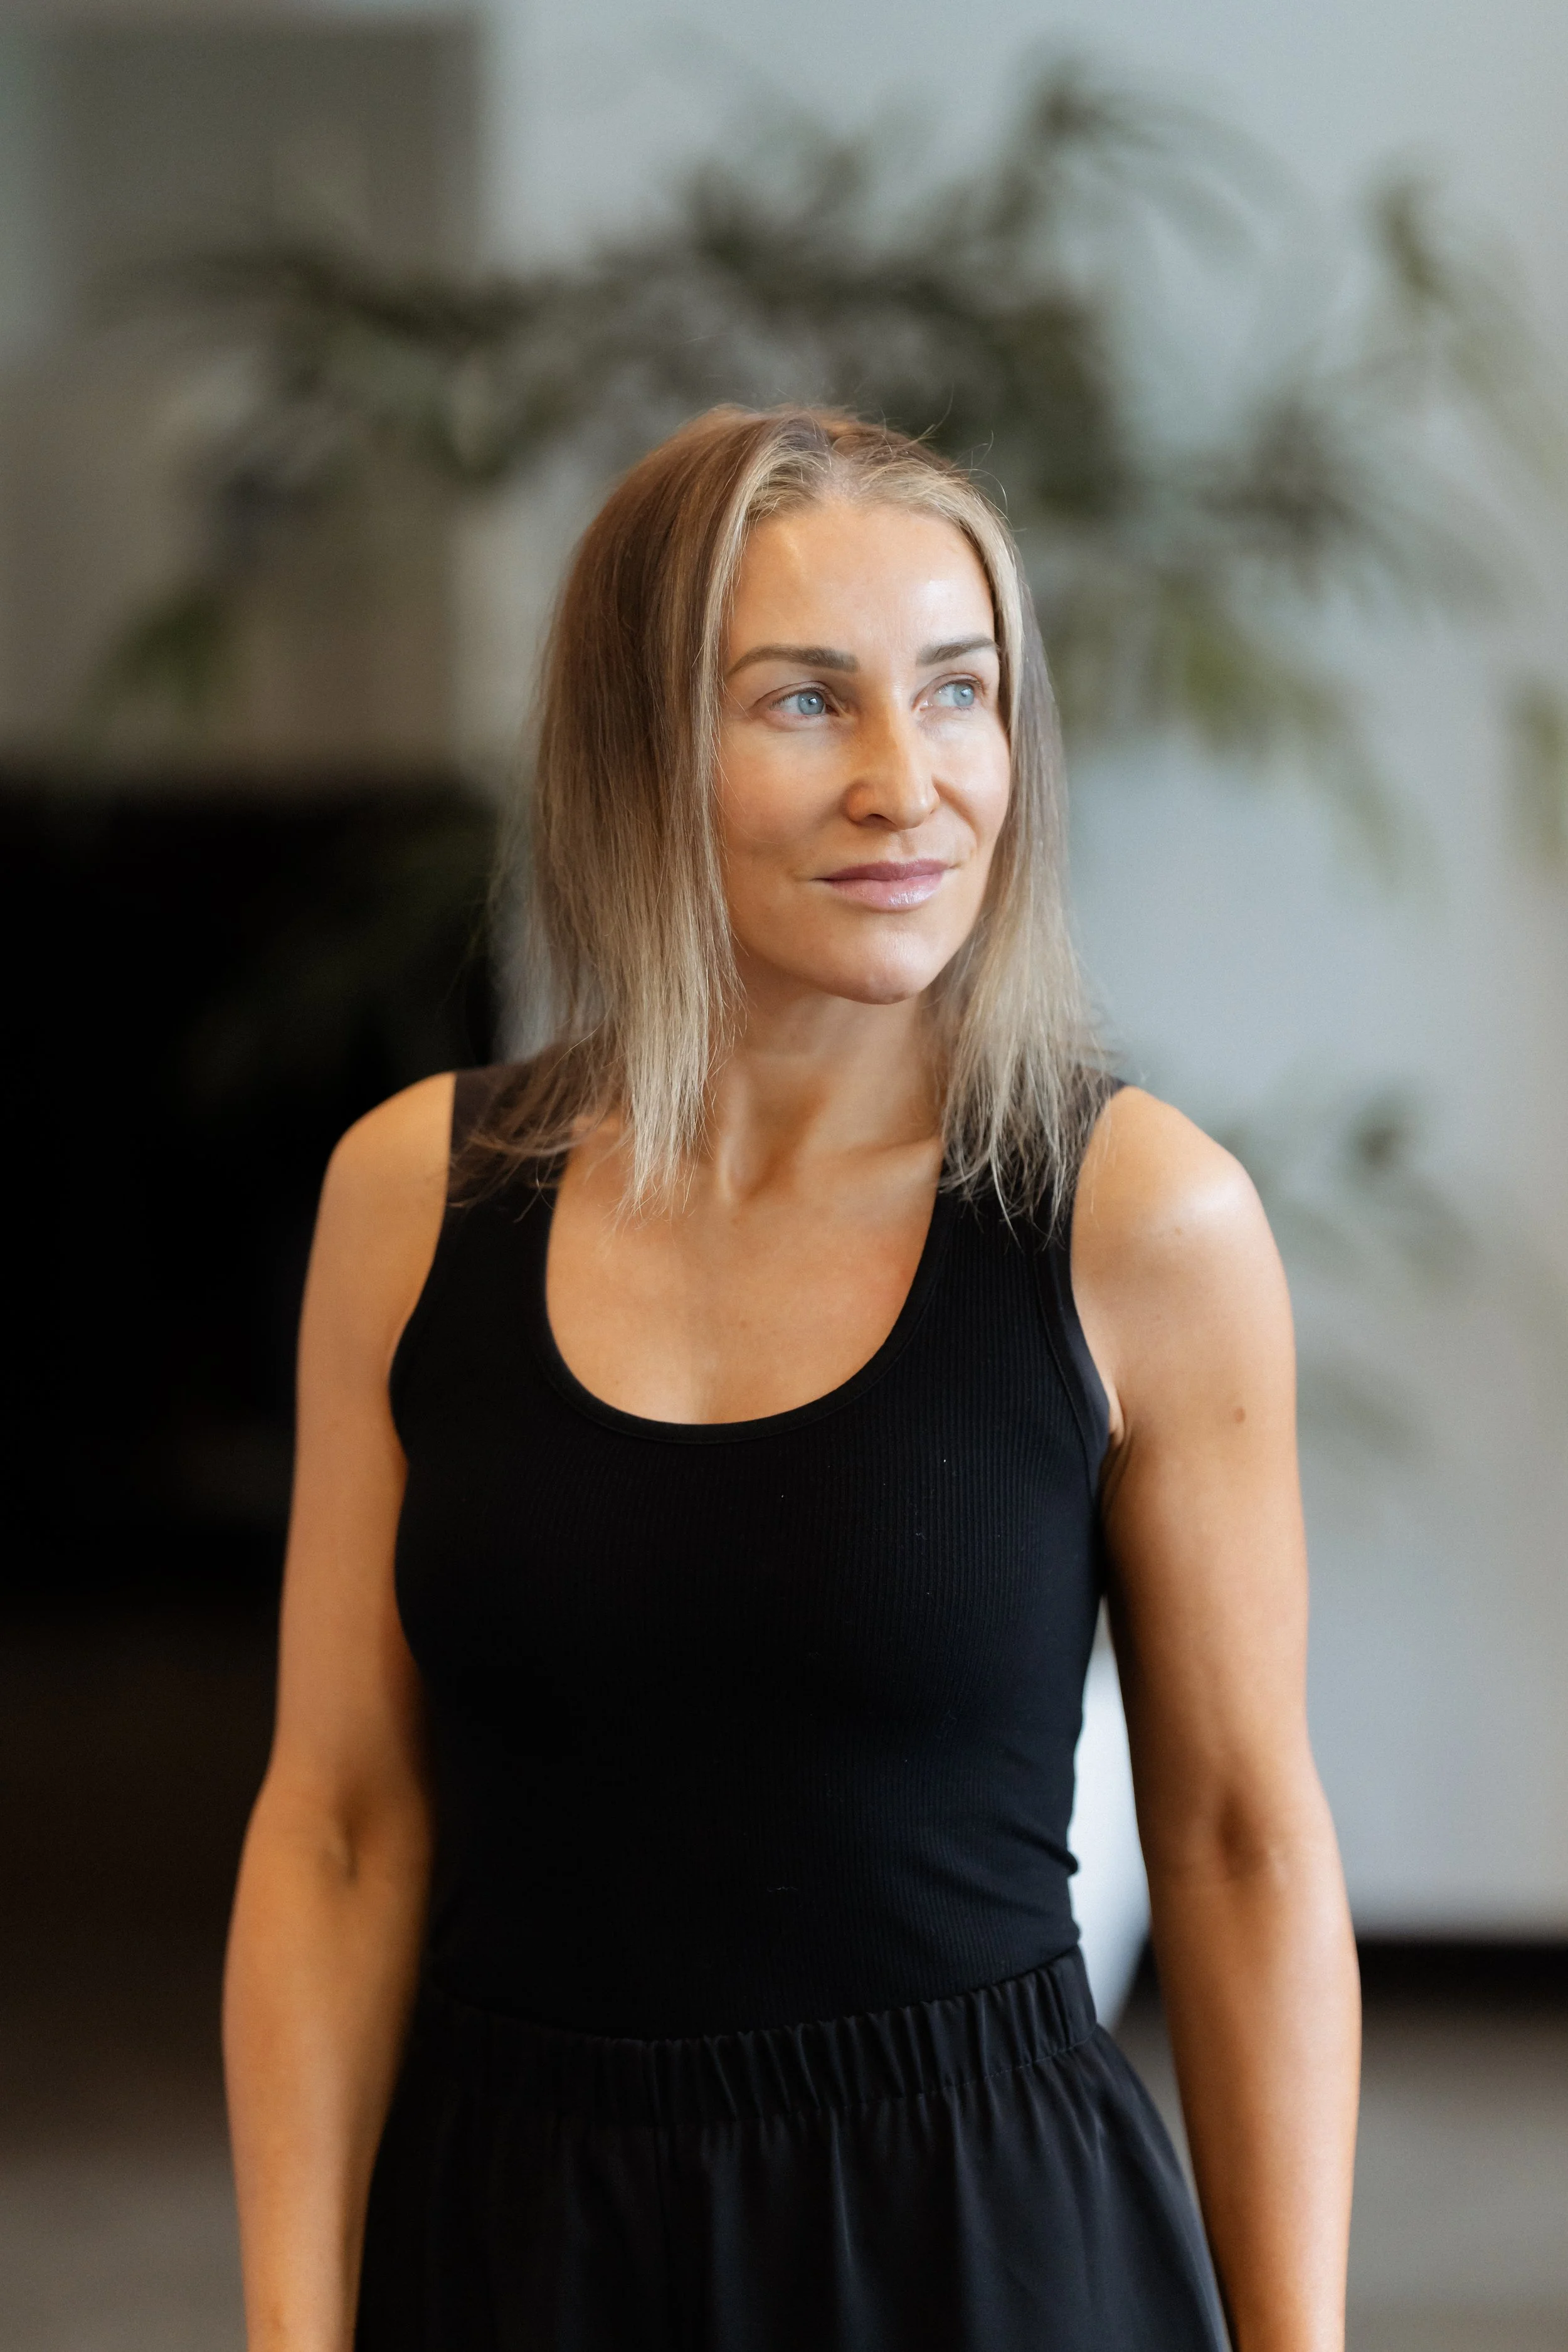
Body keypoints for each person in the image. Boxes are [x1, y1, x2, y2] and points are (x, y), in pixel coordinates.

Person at [224, 405, 1360, 2352]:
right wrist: (289, 2327)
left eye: (957, 693)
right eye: (804, 702)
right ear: (636, 747)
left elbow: (1244, 1841)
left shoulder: (1136, 1220)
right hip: (514, 2236)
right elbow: (339, 1824)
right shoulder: (414, 1197)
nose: (907, 783)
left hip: (974, 2246)